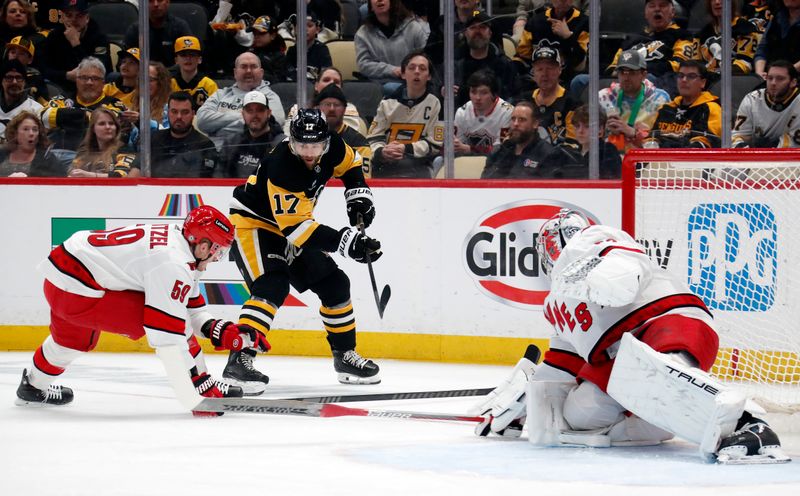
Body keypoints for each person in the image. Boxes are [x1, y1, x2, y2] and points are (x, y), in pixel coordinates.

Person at [474, 209, 790, 465]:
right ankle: (653, 422)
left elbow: (625, 266)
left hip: (667, 320)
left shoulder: (592, 240)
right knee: (578, 414)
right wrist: (518, 406)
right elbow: (558, 369)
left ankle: (750, 426)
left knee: (657, 376)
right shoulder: (557, 303)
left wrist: (609, 276)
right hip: (622, 357)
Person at [15, 205, 272, 413]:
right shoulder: (174, 264)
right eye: (219, 250)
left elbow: (193, 310)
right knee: (167, 324)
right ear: (203, 245)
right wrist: (196, 387)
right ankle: (196, 386)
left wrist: (226, 333)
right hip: (76, 289)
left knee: (72, 341)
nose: (218, 257)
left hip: (64, 278)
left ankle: (33, 387)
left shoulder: (181, 245)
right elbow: (168, 337)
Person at [226, 108, 382, 393]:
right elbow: (298, 231)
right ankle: (239, 359)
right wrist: (348, 243)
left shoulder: (333, 145)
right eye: (302, 146)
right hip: (255, 224)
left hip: (292, 225)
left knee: (335, 284)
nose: (309, 153)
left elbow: (352, 164)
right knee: (271, 286)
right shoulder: (282, 166)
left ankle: (345, 357)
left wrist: (358, 194)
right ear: (291, 141)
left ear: (326, 141)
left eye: (315, 146)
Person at [590, 0, 697, 99]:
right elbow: (613, 65)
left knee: (647, 79)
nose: (657, 9)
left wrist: (640, 71)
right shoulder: (634, 38)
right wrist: (620, 72)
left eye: (662, 5)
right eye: (652, 6)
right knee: (580, 80)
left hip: (654, 80)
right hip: (623, 77)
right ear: (645, 13)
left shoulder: (682, 36)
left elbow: (679, 65)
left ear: (672, 12)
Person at [367, 51, 443, 178]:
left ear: (429, 76)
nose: (417, 71)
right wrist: (382, 151)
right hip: (387, 164)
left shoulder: (436, 103)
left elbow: (435, 144)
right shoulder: (386, 103)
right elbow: (373, 138)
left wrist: (405, 149)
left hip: (419, 166)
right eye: (412, 68)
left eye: (422, 68)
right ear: (403, 74)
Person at [196, 51, 285, 150]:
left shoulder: (270, 97)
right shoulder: (220, 94)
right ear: (235, 73)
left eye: (253, 66)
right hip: (214, 153)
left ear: (261, 72)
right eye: (243, 66)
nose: (248, 71)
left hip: (249, 152)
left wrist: (220, 129)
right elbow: (202, 121)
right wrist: (243, 117)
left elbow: (276, 122)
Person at [41, 56, 127, 151]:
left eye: (95, 78)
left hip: (97, 155)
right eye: (84, 78)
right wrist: (85, 115)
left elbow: (103, 126)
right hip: (61, 154)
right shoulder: (62, 99)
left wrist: (65, 118)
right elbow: (45, 116)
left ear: (103, 82)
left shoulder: (115, 104)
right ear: (76, 80)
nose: (89, 82)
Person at [598, 49, 671, 155]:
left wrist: (633, 132)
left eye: (632, 72)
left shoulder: (660, 99)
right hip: (608, 160)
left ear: (644, 74)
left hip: (645, 161)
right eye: (622, 72)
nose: (626, 78)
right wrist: (606, 131)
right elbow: (587, 136)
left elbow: (666, 140)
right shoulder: (603, 97)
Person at [39, 0, 111, 97]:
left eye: (79, 16)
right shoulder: (54, 36)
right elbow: (43, 69)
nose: (73, 20)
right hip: (62, 85)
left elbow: (98, 69)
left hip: (93, 84)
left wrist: (76, 44)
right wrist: (66, 75)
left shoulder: (99, 38)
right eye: (69, 15)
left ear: (87, 18)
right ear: (63, 17)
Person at [354, 0, 428, 91]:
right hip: (377, 85)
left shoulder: (414, 28)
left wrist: (410, 70)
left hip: (410, 83)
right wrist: (392, 70)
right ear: (370, 6)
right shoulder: (363, 33)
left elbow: (426, 58)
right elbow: (364, 65)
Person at [647, 60, 722, 148]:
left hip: (693, 159)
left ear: (703, 82)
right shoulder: (666, 108)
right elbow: (651, 138)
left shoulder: (711, 108)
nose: (684, 80)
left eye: (691, 76)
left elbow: (710, 140)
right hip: (661, 160)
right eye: (681, 75)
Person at [514, 0, 589, 84]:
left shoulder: (583, 22)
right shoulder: (535, 21)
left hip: (568, 81)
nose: (563, 1)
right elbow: (522, 56)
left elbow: (579, 63)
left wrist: (568, 36)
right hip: (536, 80)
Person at [480, 101, 560, 179]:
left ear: (535, 124)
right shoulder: (500, 151)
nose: (515, 124)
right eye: (513, 119)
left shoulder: (547, 154)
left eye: (522, 120)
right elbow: (483, 184)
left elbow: (548, 190)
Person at [454, 11, 515, 108]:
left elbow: (513, 96)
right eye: (472, 28)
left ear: (490, 33)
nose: (477, 31)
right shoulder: (454, 65)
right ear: (465, 33)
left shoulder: (504, 65)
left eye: (482, 27)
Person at [732, 59, 800, 147]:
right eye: (770, 78)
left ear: (793, 82)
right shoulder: (752, 99)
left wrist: (766, 149)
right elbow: (737, 136)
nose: (773, 83)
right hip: (754, 156)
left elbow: (795, 144)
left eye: (780, 79)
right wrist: (747, 152)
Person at [151, 91, 218, 177]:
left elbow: (205, 183)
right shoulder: (154, 139)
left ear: (193, 114)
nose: (179, 116)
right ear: (168, 113)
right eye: (174, 111)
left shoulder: (205, 145)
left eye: (185, 112)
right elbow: (138, 169)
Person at [283, 67, 364, 135]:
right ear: (316, 86)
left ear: (341, 88)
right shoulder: (298, 108)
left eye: (336, 82)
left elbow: (348, 137)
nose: (331, 83)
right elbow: (288, 136)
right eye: (326, 80)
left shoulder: (349, 109)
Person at [314, 82, 372, 177]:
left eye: (337, 105)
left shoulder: (358, 142)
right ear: (317, 107)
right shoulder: (305, 138)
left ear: (345, 109)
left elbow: (362, 182)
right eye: (327, 104)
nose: (332, 109)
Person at [222, 90, 284, 178]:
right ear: (243, 114)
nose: (255, 115)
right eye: (249, 111)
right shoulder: (231, 142)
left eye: (260, 110)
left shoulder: (282, 145)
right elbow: (220, 175)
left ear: (269, 113)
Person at [526, 43, 579, 145]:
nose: (544, 74)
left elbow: (573, 144)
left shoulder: (572, 103)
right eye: (540, 69)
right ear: (533, 72)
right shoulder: (524, 100)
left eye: (549, 68)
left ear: (559, 69)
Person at [453, 70, 513, 156]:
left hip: (495, 163)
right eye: (473, 92)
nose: (477, 97)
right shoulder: (462, 112)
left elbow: (501, 149)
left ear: (494, 94)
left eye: (484, 93)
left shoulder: (507, 112)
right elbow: (457, 146)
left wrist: (471, 149)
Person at [553, 105, 621, 179]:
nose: (580, 131)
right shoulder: (568, 152)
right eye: (577, 126)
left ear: (600, 129)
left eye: (587, 126)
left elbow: (610, 181)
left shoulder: (608, 151)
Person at [68, 107, 139, 178]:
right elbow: (71, 175)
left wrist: (88, 175)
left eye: (111, 123)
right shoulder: (83, 153)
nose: (108, 127)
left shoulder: (123, 150)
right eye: (102, 124)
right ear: (93, 129)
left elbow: (120, 176)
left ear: (116, 127)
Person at [698, 0, 761, 75]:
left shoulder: (744, 27)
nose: (717, 2)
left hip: (734, 80)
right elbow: (695, 63)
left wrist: (718, 75)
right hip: (705, 81)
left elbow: (744, 64)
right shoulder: (703, 32)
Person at [124, 0, 191, 67]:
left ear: (167, 2)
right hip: (143, 75)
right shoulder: (135, 30)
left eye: (159, 0)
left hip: (174, 75)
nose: (155, 4)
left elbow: (188, 59)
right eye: (151, 1)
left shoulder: (180, 27)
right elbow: (126, 61)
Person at [0, 110, 62, 176]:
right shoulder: (2, 153)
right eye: (26, 129)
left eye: (35, 130)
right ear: (15, 133)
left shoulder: (47, 158)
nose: (31, 133)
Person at [754, 0, 800, 79]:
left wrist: (784, 73)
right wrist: (760, 72)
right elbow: (763, 48)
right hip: (771, 76)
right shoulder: (777, 16)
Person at [170, 36, 218, 110]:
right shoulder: (169, 84)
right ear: (176, 60)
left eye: (192, 55)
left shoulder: (209, 85)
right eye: (183, 55)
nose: (188, 58)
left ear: (200, 59)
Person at [0, 58, 41, 141]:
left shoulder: (36, 110)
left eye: (19, 77)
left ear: (24, 82)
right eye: (9, 77)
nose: (14, 82)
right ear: (2, 81)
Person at [285, 11, 332, 82]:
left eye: (310, 26)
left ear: (317, 30)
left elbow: (326, 75)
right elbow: (288, 75)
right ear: (295, 29)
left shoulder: (322, 50)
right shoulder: (292, 51)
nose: (305, 29)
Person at [245, 15, 288, 84]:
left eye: (261, 33)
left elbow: (280, 81)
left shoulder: (279, 57)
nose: (256, 36)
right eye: (255, 33)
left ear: (273, 35)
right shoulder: (249, 52)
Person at [4, 35, 47, 105]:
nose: (15, 56)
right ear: (7, 55)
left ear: (30, 60)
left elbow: (43, 104)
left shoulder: (36, 78)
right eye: (12, 52)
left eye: (21, 53)